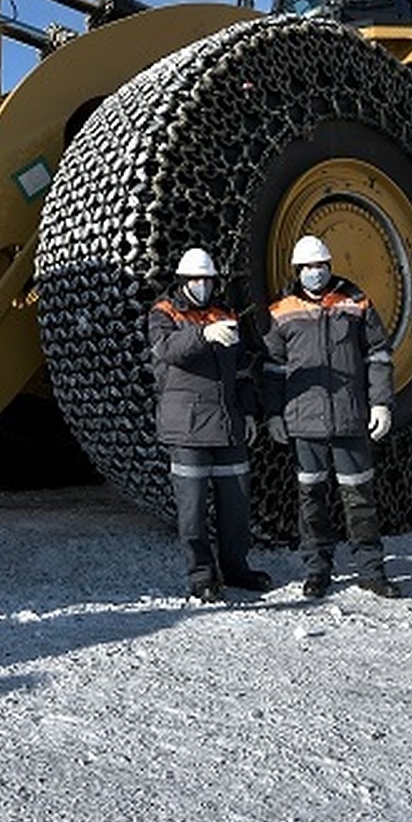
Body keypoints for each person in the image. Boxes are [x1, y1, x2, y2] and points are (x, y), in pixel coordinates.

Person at [263, 235, 399, 599]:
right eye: (308, 267)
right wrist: (274, 415)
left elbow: (379, 356)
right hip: (304, 422)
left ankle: (371, 571)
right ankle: (317, 571)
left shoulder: (355, 302)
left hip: (349, 418)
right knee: (312, 499)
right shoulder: (281, 310)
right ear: (297, 270)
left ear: (330, 266)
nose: (315, 273)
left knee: (359, 498)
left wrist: (381, 403)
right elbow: (272, 368)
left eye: (320, 266)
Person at [147, 247, 273, 603]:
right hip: (187, 427)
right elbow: (167, 350)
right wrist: (204, 335)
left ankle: (236, 568)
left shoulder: (225, 313)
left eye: (207, 279)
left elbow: (242, 370)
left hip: (227, 423)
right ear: (183, 281)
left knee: (236, 505)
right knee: (192, 509)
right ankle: (202, 575)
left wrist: (247, 412)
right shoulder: (164, 314)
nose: (202, 285)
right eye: (195, 279)